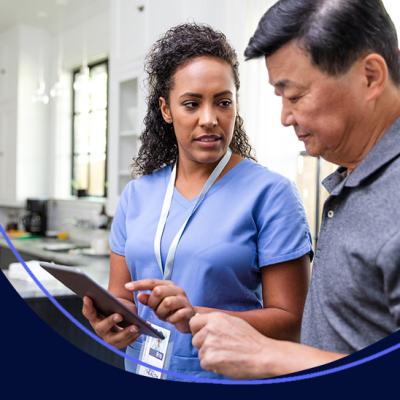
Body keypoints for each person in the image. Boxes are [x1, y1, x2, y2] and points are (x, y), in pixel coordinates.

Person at [82, 23, 312, 380]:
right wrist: (109, 321)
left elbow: (291, 322)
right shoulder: (137, 195)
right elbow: (122, 299)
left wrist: (196, 317)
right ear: (166, 109)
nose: (210, 119)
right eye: (191, 104)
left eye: (223, 102)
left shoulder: (271, 195)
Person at [190, 0, 400, 379]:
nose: (285, 117)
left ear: (370, 76)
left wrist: (268, 356)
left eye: (295, 95)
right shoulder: (355, 176)